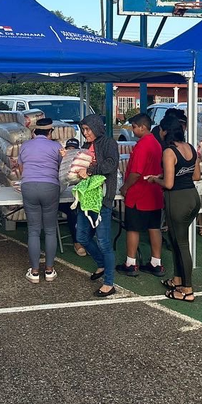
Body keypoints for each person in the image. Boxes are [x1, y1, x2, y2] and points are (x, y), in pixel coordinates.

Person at [148, 116, 200, 301]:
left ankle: (187, 290)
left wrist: (156, 179)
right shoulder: (190, 148)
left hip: (177, 199)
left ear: (166, 131)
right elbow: (196, 175)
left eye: (161, 130)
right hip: (193, 197)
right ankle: (178, 279)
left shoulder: (169, 151)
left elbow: (169, 184)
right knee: (177, 240)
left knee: (182, 244)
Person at [116, 113, 165, 278]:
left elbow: (136, 172)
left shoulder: (143, 145)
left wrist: (125, 187)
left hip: (139, 194)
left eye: (134, 127)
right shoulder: (156, 144)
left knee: (133, 228)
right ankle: (156, 263)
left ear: (142, 127)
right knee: (154, 227)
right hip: (154, 193)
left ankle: (130, 263)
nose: (132, 130)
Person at [76, 114, 120, 297]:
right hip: (86, 197)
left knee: (103, 241)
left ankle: (109, 283)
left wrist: (90, 169)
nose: (85, 133)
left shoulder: (109, 143)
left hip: (102, 199)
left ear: (96, 127)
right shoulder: (86, 146)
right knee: (82, 237)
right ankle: (102, 264)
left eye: (88, 129)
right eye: (83, 129)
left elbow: (111, 164)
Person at [18, 118, 63, 283]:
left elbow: (22, 169)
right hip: (50, 187)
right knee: (50, 229)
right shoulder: (56, 147)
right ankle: (50, 270)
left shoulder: (25, 146)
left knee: (34, 230)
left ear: (35, 132)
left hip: (29, 187)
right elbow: (61, 168)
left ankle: (35, 271)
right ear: (50, 132)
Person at [60, 138, 86, 256]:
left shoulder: (82, 163)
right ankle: (77, 242)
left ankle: (87, 240)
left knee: (86, 210)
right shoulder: (60, 162)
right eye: (69, 149)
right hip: (61, 198)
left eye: (73, 150)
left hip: (77, 197)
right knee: (73, 211)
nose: (71, 152)